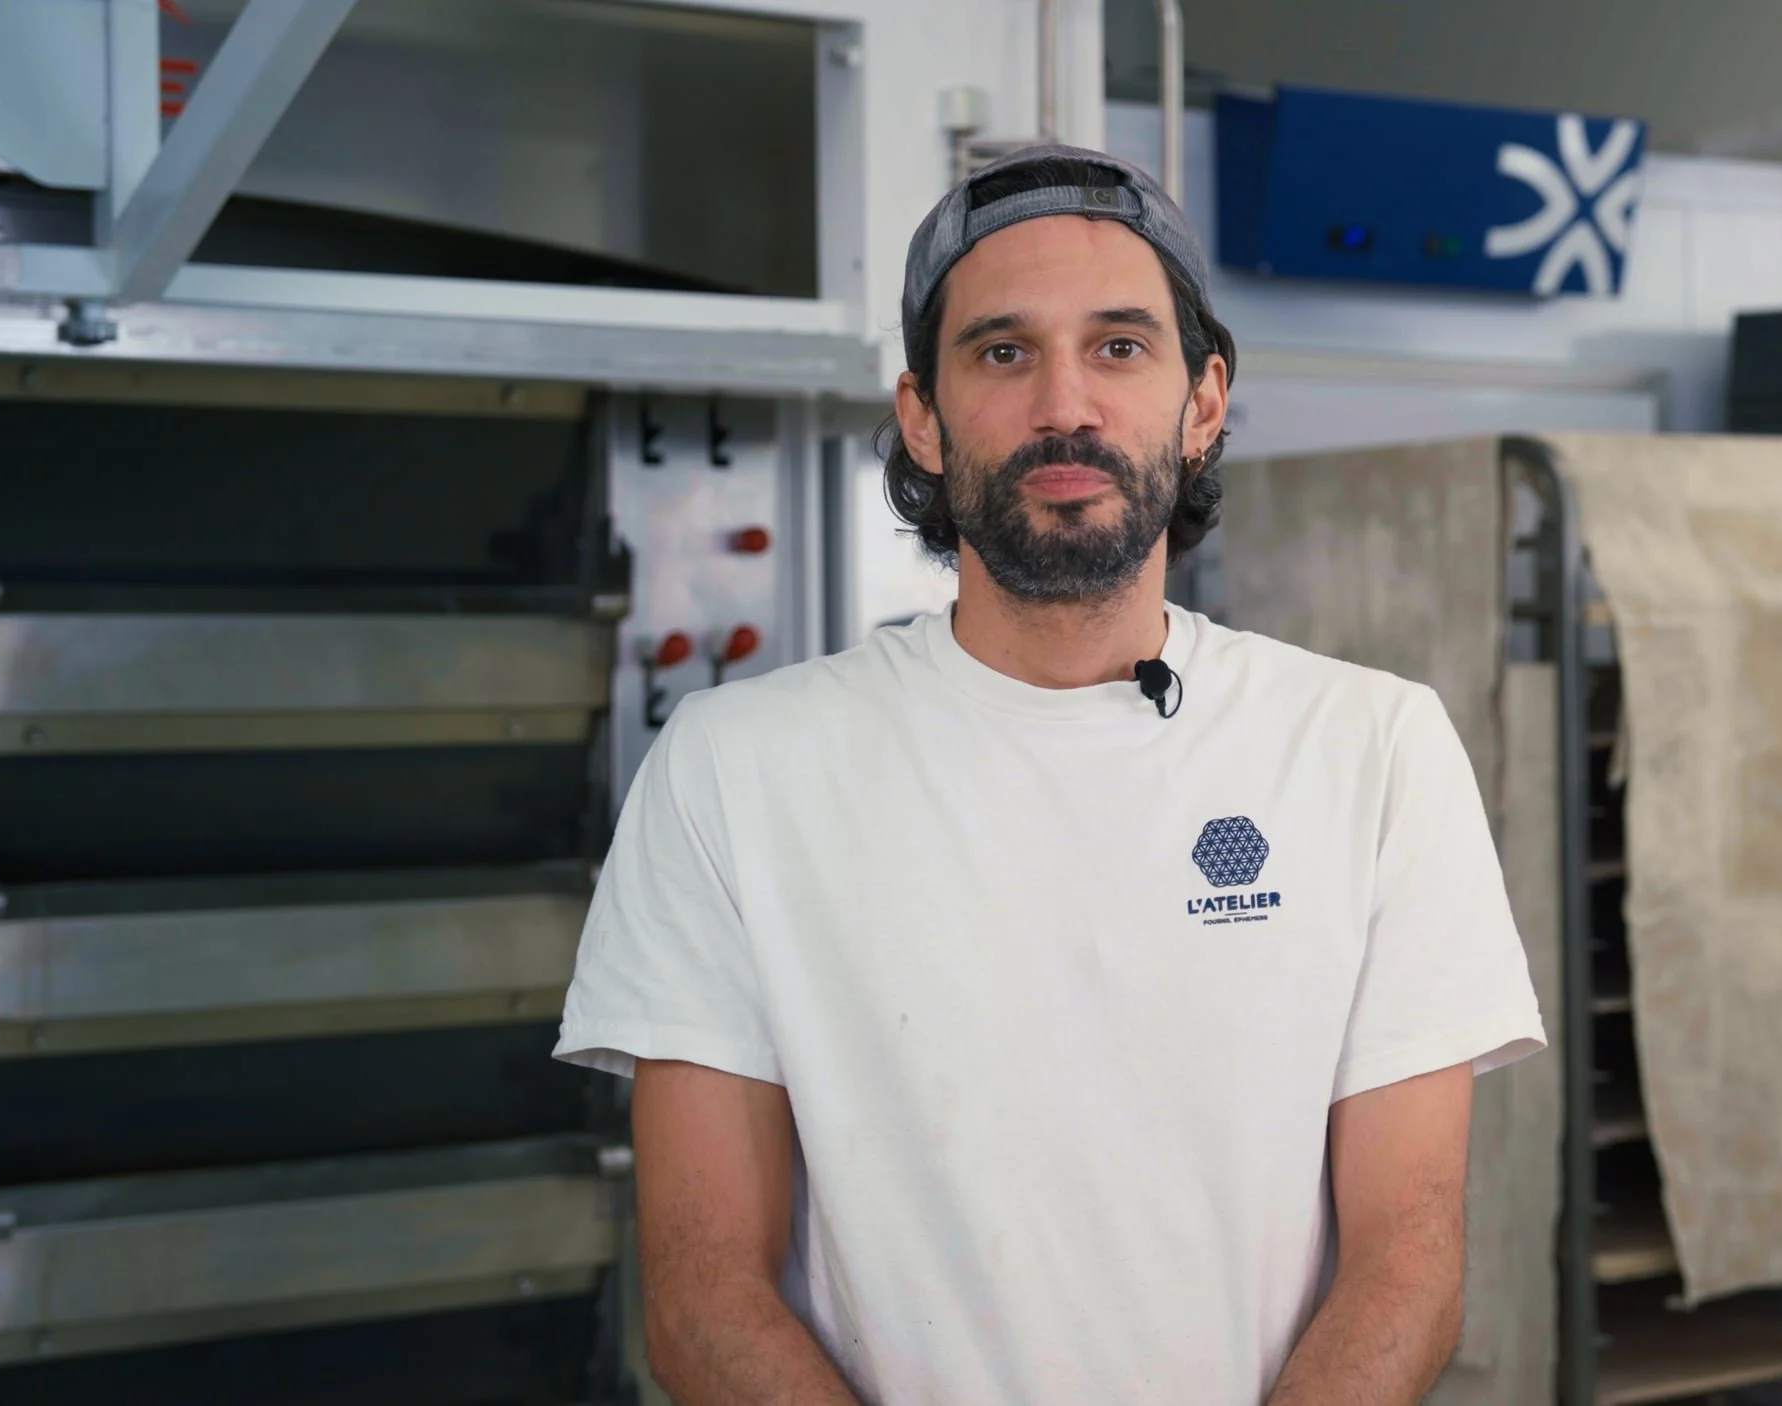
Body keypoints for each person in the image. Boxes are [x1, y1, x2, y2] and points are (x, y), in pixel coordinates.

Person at [555, 144, 1542, 1405]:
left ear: (1202, 401)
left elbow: (1405, 1260)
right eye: (1003, 351)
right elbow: (704, 1298)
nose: (1064, 403)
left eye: (1120, 346)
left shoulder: (1370, 747)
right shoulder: (736, 772)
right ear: (923, 412)